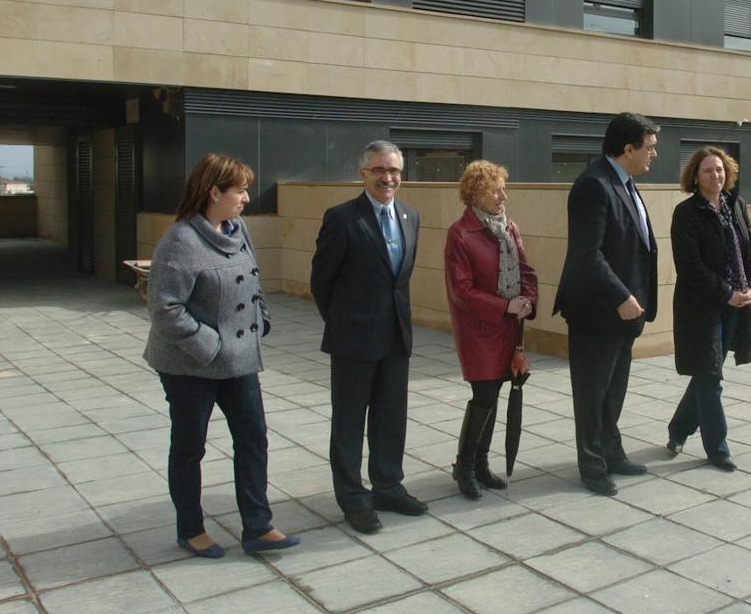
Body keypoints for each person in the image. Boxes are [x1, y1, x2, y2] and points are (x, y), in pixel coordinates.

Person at [145, 153, 300, 558]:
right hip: (190, 365)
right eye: (241, 190)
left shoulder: (238, 228)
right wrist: (211, 345)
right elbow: (165, 308)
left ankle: (257, 527)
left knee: (253, 439)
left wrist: (261, 317)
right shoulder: (180, 240)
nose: (247, 198)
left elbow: (252, 279)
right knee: (190, 446)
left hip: (239, 360)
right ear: (214, 192)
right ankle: (190, 529)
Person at [310, 140, 426, 534]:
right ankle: (353, 498)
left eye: (394, 170)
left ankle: (388, 486)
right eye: (379, 170)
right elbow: (321, 281)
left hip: (396, 337)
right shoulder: (341, 218)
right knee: (348, 423)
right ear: (363, 174)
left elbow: (399, 281)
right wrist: (345, 322)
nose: (388, 178)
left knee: (391, 418)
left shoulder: (410, 216)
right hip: (353, 339)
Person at [553, 112, 659, 496]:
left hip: (627, 313)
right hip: (598, 311)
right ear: (628, 149)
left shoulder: (625, 183)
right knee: (592, 391)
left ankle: (612, 452)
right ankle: (592, 464)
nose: (654, 155)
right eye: (649, 148)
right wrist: (621, 296)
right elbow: (587, 254)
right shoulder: (593, 185)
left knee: (614, 390)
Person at [443, 160, 538, 499]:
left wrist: (527, 299)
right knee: (483, 396)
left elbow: (526, 270)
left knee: (494, 395)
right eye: (495, 190)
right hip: (479, 330)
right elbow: (461, 290)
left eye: (503, 189)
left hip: (508, 329)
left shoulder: (509, 227)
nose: (503, 196)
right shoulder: (461, 233)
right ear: (475, 194)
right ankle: (464, 467)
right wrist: (504, 306)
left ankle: (480, 465)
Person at [666, 146, 751, 471]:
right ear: (695, 176)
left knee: (707, 375)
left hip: (738, 305)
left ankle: (678, 429)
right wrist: (726, 293)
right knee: (710, 377)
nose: (715, 175)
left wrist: (750, 285)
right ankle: (718, 448)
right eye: (708, 170)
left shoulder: (736, 205)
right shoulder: (686, 213)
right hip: (703, 308)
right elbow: (689, 265)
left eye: (720, 169)